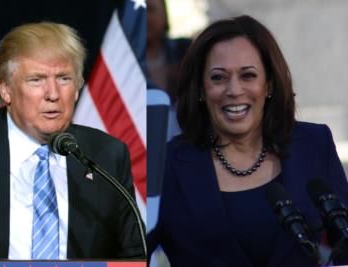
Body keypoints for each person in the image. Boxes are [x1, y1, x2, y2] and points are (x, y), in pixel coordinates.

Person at [148, 15, 348, 266]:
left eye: (248, 75)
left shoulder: (313, 144)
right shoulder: (164, 166)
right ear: (200, 89)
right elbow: (127, 255)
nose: (234, 90)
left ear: (269, 85)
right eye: (218, 77)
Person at [0, 22, 144, 260]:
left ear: (77, 88)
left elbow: (133, 253)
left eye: (63, 78)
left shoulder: (107, 154)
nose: (52, 94)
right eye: (36, 80)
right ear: (6, 89)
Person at [147, 0, 191, 140]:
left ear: (165, 15)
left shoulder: (184, 50)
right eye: (138, 11)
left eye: (150, 9)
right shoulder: (124, 61)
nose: (145, 17)